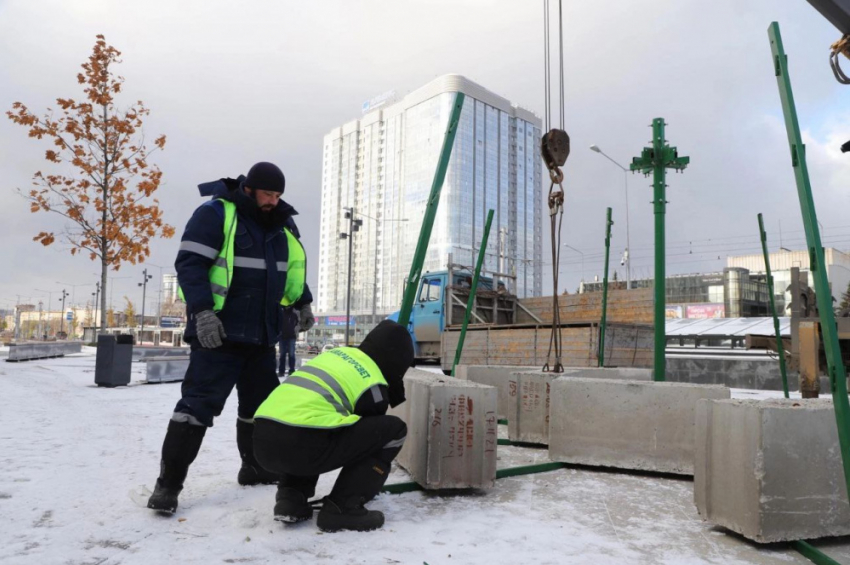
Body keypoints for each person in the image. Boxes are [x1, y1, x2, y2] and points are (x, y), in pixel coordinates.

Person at [147, 162, 315, 514]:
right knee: (195, 410)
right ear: (250, 189)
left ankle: (254, 467)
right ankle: (168, 487)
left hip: (261, 338)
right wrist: (203, 312)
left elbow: (289, 270)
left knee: (261, 410)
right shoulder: (215, 213)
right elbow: (190, 264)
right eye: (268, 193)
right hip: (218, 336)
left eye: (279, 195)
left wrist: (303, 303)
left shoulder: (282, 223)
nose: (273, 200)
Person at [252, 320, 413, 532]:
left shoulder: (335, 356)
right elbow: (365, 443)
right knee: (392, 431)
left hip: (262, 440)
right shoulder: (372, 382)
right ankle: (343, 507)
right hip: (300, 444)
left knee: (318, 423)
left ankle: (291, 499)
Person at [278, 306, 299, 376]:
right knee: (282, 355)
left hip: (291, 337)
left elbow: (298, 324)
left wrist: (295, 332)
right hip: (282, 337)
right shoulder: (281, 313)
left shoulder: (294, 314)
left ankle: (291, 370)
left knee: (291, 354)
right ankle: (281, 371)